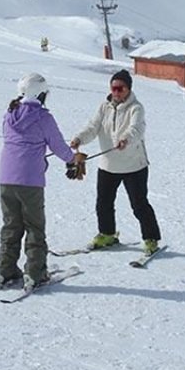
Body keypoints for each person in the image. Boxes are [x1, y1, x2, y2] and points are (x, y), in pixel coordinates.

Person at [0, 73, 81, 289]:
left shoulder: (9, 113)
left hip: (6, 177)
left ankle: (5, 271)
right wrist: (72, 161)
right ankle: (35, 272)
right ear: (40, 94)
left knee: (11, 225)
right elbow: (58, 145)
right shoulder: (43, 117)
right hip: (30, 180)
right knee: (34, 226)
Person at [70, 69, 162, 256]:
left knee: (139, 204)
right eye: (114, 88)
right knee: (103, 203)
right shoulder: (104, 106)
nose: (116, 92)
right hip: (108, 164)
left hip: (133, 165)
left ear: (128, 89)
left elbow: (136, 129)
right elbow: (93, 127)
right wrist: (79, 138)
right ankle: (107, 234)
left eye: (120, 88)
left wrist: (126, 139)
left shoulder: (136, 108)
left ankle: (151, 238)